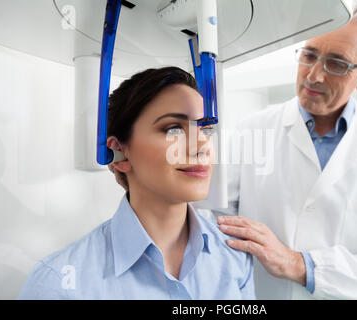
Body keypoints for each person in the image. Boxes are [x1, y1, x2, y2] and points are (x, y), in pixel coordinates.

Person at [212, 0, 357, 299]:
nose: (314, 75)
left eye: (337, 64)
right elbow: (213, 230)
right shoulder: (251, 131)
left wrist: (300, 264)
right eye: (309, 55)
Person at [17, 67, 255, 299]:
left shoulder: (236, 257)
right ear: (119, 153)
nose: (201, 145)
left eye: (206, 129)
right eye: (173, 129)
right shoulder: (56, 285)